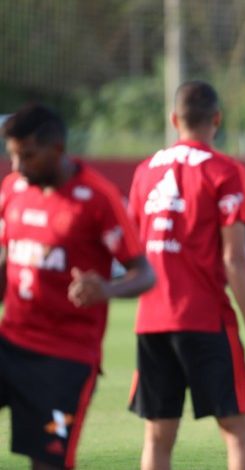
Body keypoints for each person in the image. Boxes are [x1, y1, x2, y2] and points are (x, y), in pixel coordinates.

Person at [0, 104, 155, 469]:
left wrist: (107, 288)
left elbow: (144, 273)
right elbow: (8, 262)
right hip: (11, 344)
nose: (18, 166)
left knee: (49, 463)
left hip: (64, 361)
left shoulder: (98, 198)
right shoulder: (12, 190)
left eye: (27, 156)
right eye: (12, 156)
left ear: (56, 149)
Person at [127, 80, 245, 470]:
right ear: (217, 119)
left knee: (157, 437)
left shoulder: (144, 172)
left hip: (152, 321)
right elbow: (234, 258)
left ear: (174, 119)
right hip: (205, 319)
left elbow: (133, 251)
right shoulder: (225, 171)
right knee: (237, 429)